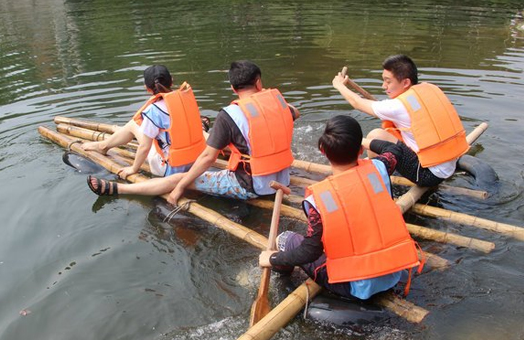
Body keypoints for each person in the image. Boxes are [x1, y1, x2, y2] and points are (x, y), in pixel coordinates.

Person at [87, 60, 300, 204]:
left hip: (251, 185)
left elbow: (208, 157)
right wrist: (268, 101)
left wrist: (181, 187)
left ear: (233, 88)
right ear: (259, 82)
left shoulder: (230, 115)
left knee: (179, 179)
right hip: (282, 177)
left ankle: (120, 190)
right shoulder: (280, 104)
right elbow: (295, 113)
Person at [259, 115, 422, 300]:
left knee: (286, 239)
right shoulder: (379, 168)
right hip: (393, 271)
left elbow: (309, 251)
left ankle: (284, 281)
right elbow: (394, 149)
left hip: (356, 286)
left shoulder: (319, 198)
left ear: (322, 151)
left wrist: (272, 259)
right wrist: (365, 142)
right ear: (361, 150)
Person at [332, 54, 469, 187]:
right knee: (378, 135)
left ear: (406, 83)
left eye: (388, 81)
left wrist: (339, 86)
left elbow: (357, 103)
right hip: (447, 163)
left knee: (371, 137)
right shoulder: (428, 90)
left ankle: (378, 179)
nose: (383, 86)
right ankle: (384, 168)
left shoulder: (398, 106)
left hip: (428, 174)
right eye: (383, 80)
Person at [81, 65, 206, 180]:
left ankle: (103, 146)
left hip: (170, 169)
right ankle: (108, 141)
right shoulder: (186, 99)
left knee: (133, 125)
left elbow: (144, 147)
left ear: (147, 89)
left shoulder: (154, 110)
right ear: (172, 80)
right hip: (197, 161)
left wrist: (133, 168)